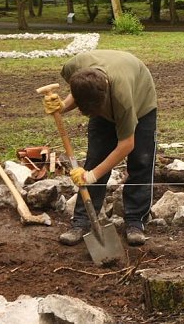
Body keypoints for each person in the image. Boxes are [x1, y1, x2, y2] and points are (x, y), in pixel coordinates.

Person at [42, 50, 157, 246]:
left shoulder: (123, 99)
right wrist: (62, 106)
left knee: (141, 160)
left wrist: (92, 176)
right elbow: (78, 93)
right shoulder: (73, 67)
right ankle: (82, 221)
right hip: (102, 88)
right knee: (96, 158)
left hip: (140, 99)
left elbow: (127, 145)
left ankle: (135, 221)